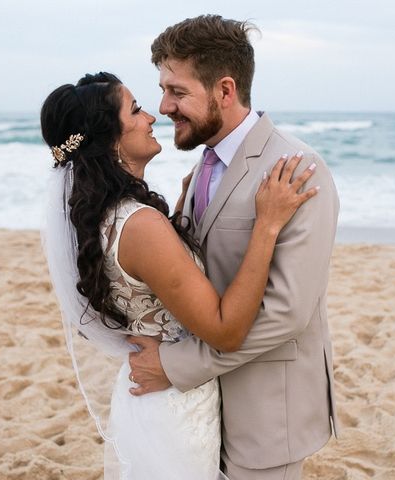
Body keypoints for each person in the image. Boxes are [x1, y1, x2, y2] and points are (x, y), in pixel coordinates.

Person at [40, 72, 318, 479]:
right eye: (134, 110)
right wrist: (267, 226)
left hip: (150, 398)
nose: (151, 116)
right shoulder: (141, 226)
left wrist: (183, 214)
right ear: (110, 136)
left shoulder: (99, 217)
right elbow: (224, 331)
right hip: (174, 407)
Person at [127, 15, 340, 480]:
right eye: (162, 90)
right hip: (201, 411)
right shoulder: (202, 163)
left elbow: (287, 312)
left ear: (225, 90)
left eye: (177, 92)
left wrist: (176, 366)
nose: (164, 107)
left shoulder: (298, 170)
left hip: (265, 413)